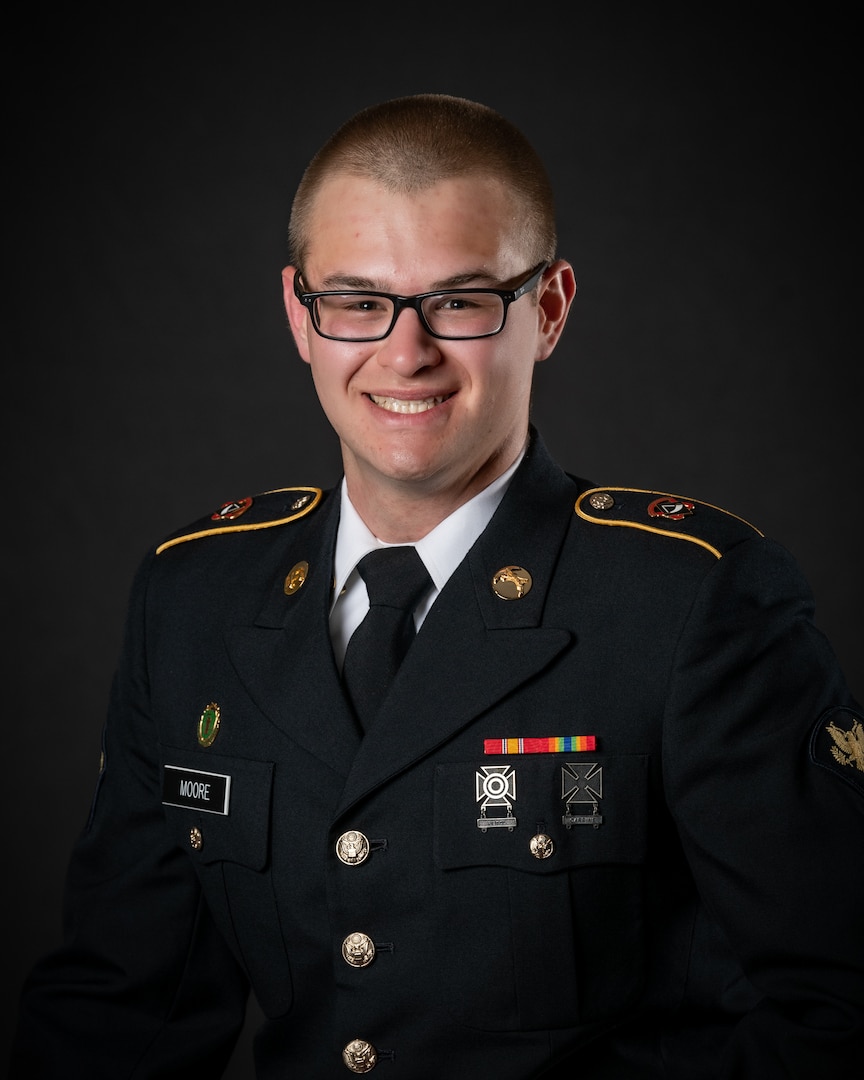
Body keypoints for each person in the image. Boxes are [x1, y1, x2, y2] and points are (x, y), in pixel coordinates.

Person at [10, 93, 862, 1080]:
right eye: (358, 301)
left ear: (546, 310)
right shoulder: (192, 599)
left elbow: (833, 1006)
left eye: (459, 301)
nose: (404, 351)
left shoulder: (691, 606)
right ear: (300, 314)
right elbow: (118, 1012)